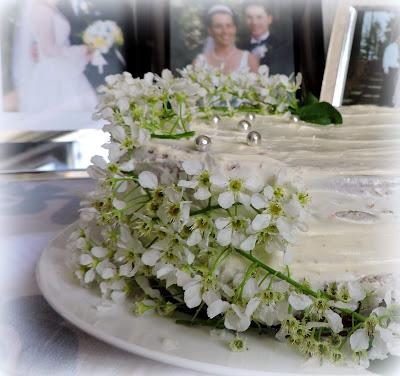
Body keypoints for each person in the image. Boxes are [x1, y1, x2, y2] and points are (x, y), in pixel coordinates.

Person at [13, 0, 97, 112]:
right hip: (53, 71)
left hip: (61, 66)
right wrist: (80, 51)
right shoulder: (41, 9)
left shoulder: (51, 8)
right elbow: (48, 49)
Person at [194, 4, 259, 75]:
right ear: (210, 31)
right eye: (218, 26)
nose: (225, 31)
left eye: (229, 26)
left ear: (234, 29)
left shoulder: (249, 59)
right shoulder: (198, 63)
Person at [241, 0, 293, 76]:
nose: (254, 22)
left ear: (269, 19)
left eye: (259, 17)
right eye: (249, 17)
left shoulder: (282, 46)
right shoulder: (240, 47)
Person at [381, 35, 400, 107]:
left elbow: (396, 59)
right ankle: (385, 102)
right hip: (390, 69)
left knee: (392, 87)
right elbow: (385, 58)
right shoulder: (390, 47)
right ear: (397, 39)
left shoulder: (397, 48)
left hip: (395, 69)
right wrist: (385, 68)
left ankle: (389, 102)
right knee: (388, 86)